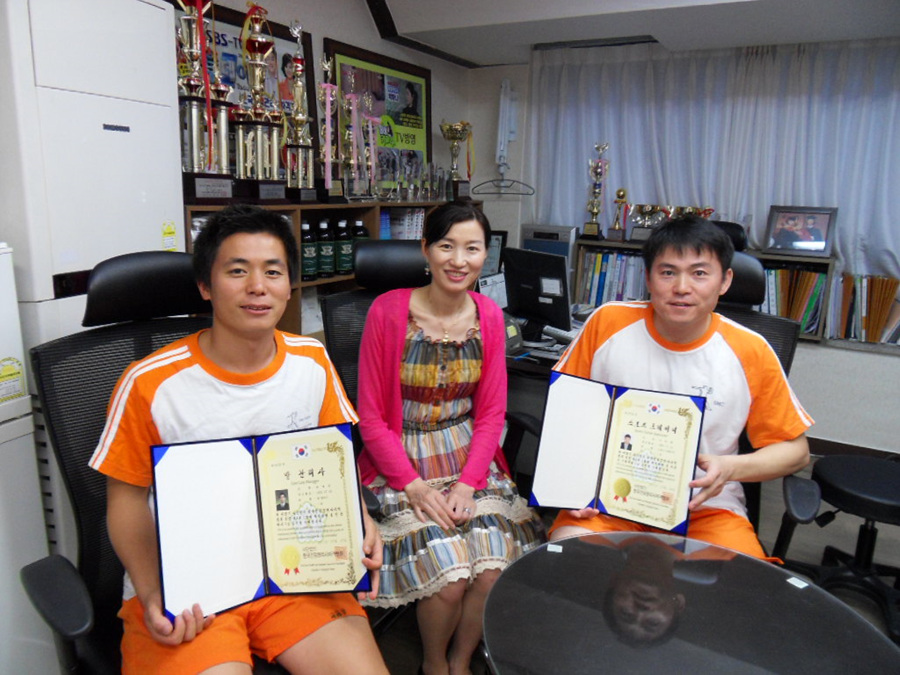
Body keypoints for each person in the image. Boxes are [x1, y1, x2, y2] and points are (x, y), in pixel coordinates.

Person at [89, 204, 388, 675]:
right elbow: (125, 501)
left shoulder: (311, 360)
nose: (257, 286)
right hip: (193, 587)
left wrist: (360, 519)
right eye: (237, 271)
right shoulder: (149, 383)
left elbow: (335, 459)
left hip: (294, 574)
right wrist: (152, 591)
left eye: (273, 271)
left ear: (289, 284)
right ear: (205, 286)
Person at [549, 215, 813, 559]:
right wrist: (573, 485)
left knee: (743, 586)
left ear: (725, 281)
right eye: (668, 272)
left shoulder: (751, 350)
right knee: (566, 563)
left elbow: (796, 452)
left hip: (705, 508)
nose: (682, 287)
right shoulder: (608, 322)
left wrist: (730, 468)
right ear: (648, 278)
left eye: (699, 273)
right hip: (608, 499)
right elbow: (564, 413)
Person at [356, 201, 545, 675]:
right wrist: (414, 487)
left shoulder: (490, 316)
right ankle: (434, 664)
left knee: (491, 570)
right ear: (426, 250)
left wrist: (466, 484)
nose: (459, 260)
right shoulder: (387, 311)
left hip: (468, 457)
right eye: (446, 246)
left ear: (485, 255)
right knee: (450, 579)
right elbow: (372, 418)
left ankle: (461, 663)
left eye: (472, 248)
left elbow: (491, 414)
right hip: (401, 457)